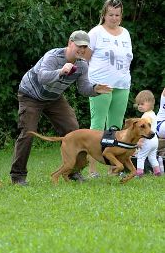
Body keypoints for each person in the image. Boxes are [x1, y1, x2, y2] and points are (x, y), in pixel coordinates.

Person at [10, 30, 112, 185]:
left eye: (85, 47)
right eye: (79, 45)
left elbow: (83, 88)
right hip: (30, 95)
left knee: (73, 129)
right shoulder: (53, 56)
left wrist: (95, 89)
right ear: (70, 43)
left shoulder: (82, 65)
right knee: (28, 132)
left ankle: (73, 172)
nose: (82, 50)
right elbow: (43, 77)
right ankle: (18, 176)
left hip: (53, 98)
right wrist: (61, 71)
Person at [84, 0, 133, 177]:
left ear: (121, 15)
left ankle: (114, 167)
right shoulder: (96, 32)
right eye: (111, 14)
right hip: (101, 85)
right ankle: (92, 169)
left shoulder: (125, 33)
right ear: (104, 14)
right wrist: (95, 80)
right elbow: (86, 56)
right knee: (97, 126)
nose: (114, 18)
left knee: (115, 127)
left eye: (117, 15)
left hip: (122, 84)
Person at [134, 90, 161, 177]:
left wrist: (140, 141)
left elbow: (145, 131)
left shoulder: (146, 117)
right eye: (138, 104)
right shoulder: (153, 114)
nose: (139, 106)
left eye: (142, 104)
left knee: (140, 157)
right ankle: (157, 172)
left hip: (147, 140)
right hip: (155, 140)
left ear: (151, 103)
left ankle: (139, 174)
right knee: (152, 157)